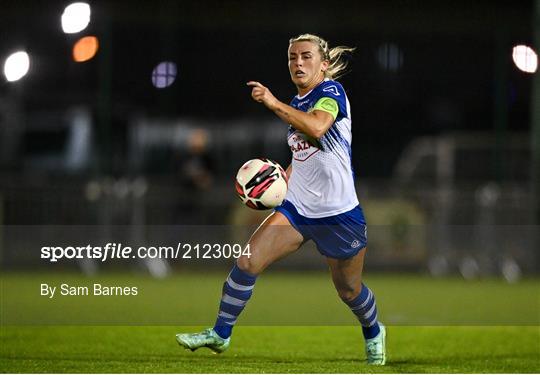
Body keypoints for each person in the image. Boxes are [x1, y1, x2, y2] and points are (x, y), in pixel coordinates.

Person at [176, 33, 386, 366]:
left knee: (349, 291)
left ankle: (374, 331)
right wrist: (278, 178)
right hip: (298, 209)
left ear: (323, 63)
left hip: (338, 214)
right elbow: (304, 153)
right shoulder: (298, 101)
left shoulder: (331, 93)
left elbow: (318, 128)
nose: (298, 63)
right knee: (247, 262)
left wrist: (273, 103)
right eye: (292, 58)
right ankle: (220, 334)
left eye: (305, 56)